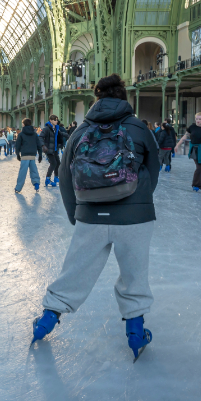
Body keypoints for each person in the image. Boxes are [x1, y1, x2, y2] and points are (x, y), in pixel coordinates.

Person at [31, 74, 159, 361]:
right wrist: (138, 202)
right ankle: (136, 332)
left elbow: (65, 175)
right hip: (135, 217)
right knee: (135, 274)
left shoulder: (81, 131)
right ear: (124, 95)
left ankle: (45, 322)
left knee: (75, 271)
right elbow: (153, 169)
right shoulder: (138, 128)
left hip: (91, 215)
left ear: (96, 98)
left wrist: (75, 213)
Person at [176, 112, 201, 191]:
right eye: (196, 119)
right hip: (195, 150)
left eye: (199, 119)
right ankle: (196, 185)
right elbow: (185, 137)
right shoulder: (192, 127)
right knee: (198, 167)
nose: (197, 120)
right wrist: (177, 145)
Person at [14, 117, 42, 193]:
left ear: (24, 124)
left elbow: (18, 145)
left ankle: (18, 188)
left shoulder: (21, 134)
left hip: (25, 155)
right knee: (34, 170)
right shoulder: (35, 134)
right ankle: (36, 184)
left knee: (22, 172)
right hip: (32, 155)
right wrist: (40, 155)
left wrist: (17, 154)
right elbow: (39, 145)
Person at [39, 115, 65, 187]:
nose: (56, 121)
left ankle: (56, 177)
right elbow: (40, 137)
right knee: (53, 163)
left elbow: (60, 135)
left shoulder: (56, 129)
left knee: (58, 163)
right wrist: (43, 145)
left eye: (57, 120)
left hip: (55, 149)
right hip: (49, 149)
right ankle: (47, 179)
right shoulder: (46, 129)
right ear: (50, 120)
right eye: (54, 120)